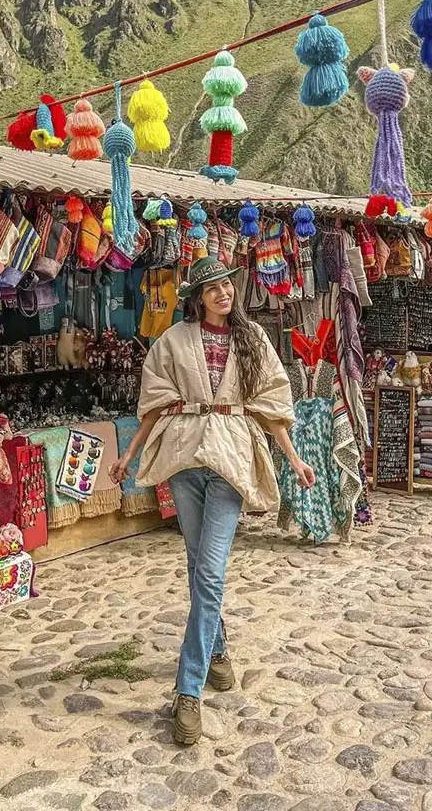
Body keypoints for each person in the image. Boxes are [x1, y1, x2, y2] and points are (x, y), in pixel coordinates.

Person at [109, 256, 314, 746]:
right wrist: (130, 456)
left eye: (227, 285)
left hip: (231, 456)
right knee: (198, 563)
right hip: (185, 457)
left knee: (211, 571)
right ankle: (218, 651)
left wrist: (295, 457)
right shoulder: (173, 341)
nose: (224, 293)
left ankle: (188, 690)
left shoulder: (253, 340)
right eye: (213, 288)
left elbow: (272, 405)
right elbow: (155, 403)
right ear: (197, 297)